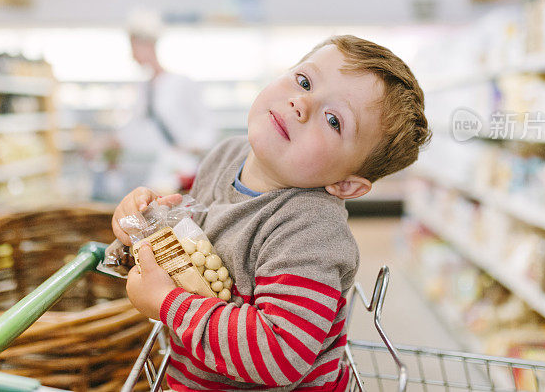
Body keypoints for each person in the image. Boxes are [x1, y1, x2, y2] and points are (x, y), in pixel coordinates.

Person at [112, 35, 431, 391]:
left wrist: (166, 303)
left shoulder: (311, 232)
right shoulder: (225, 156)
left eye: (334, 121)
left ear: (345, 185)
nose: (302, 103)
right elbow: (187, 246)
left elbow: (279, 352)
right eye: (305, 81)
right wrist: (141, 230)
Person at [110, 9, 217, 197]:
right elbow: (136, 129)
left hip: (180, 171)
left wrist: (191, 146)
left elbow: (207, 125)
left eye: (134, 46)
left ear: (147, 45)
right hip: (153, 172)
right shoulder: (143, 88)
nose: (132, 55)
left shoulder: (181, 83)